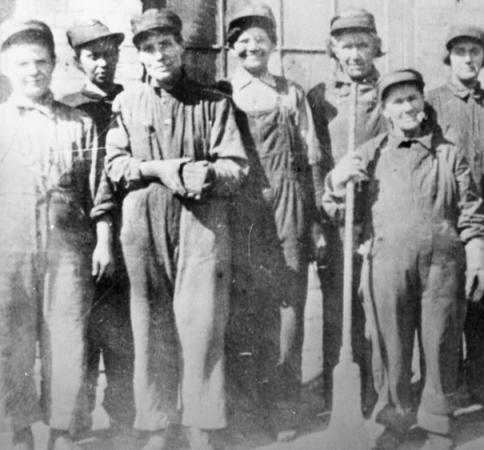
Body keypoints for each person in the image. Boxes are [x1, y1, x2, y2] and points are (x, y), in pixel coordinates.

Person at [104, 9, 248, 449]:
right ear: (140, 57)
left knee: (202, 324)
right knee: (150, 327)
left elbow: (236, 166)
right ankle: (156, 426)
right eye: (148, 48)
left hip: (199, 225)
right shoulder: (125, 104)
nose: (159, 54)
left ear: (181, 47)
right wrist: (159, 169)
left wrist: (203, 172)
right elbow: (114, 166)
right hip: (143, 227)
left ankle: (202, 424)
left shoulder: (214, 103)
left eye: (165, 44)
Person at [324, 69, 484, 450]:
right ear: (385, 110)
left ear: (423, 102)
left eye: (413, 98)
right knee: (390, 346)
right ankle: (393, 421)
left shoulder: (449, 153)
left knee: (441, 342)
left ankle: (438, 422)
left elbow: (472, 212)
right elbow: (336, 208)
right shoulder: (370, 152)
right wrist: (336, 180)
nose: (408, 106)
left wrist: (478, 259)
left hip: (443, 265)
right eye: (398, 101)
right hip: (386, 263)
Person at [221, 2, 320, 441]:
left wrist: (313, 220)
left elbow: (311, 156)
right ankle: (247, 406)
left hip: (289, 207)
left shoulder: (290, 93)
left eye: (260, 38)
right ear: (231, 48)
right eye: (243, 40)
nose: (252, 46)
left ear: (273, 44)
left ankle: (284, 406)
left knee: (288, 306)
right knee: (244, 308)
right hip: (241, 212)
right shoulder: (222, 93)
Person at [0, 19, 100, 450]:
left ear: (55, 65)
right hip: (9, 250)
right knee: (10, 340)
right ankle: (16, 430)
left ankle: (64, 431)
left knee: (67, 339)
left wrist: (103, 241)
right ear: (5, 67)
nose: (33, 71)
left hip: (67, 251)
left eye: (41, 62)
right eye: (23, 63)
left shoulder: (78, 124)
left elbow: (97, 192)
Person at [426, 24, 484, 407]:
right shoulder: (431, 103)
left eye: (474, 51)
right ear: (449, 57)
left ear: (483, 57)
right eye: (460, 51)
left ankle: (482, 384)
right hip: (447, 222)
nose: (468, 58)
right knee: (444, 308)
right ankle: (442, 389)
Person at [307, 7, 386, 409]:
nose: (355, 53)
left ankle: (377, 392)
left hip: (377, 217)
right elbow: (313, 161)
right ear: (333, 49)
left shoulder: (390, 92)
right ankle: (334, 400)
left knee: (376, 306)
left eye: (362, 44)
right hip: (335, 216)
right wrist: (325, 203)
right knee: (338, 307)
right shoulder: (319, 97)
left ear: (375, 46)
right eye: (346, 45)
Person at [61, 19, 135, 439]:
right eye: (93, 55)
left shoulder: (132, 101)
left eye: (110, 53)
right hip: (84, 236)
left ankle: (124, 417)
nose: (104, 63)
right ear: (76, 61)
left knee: (123, 329)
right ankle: (78, 419)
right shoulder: (69, 108)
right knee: (84, 330)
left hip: (128, 231)